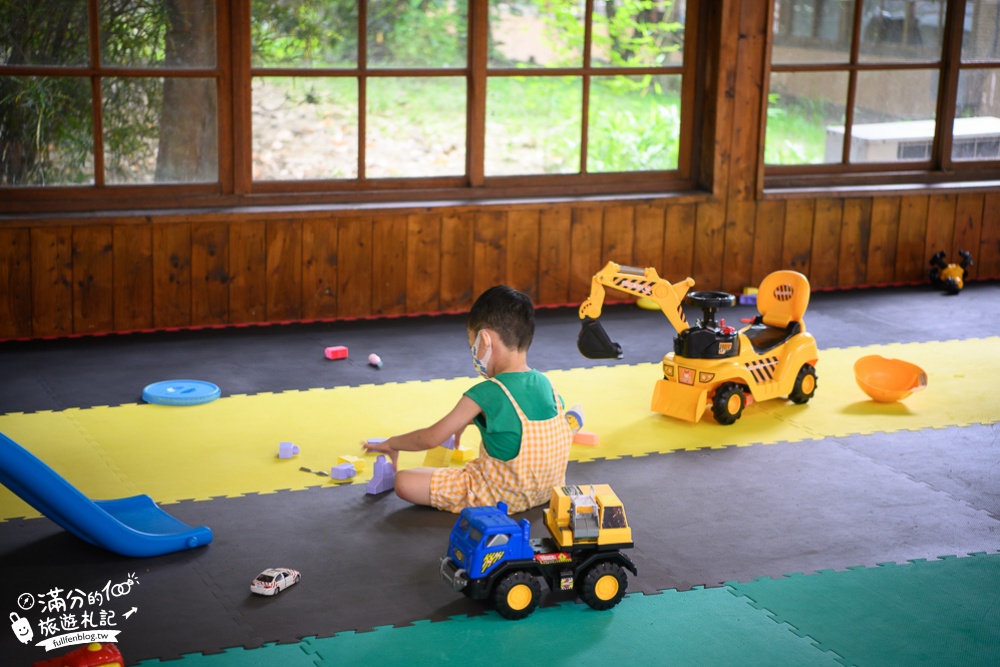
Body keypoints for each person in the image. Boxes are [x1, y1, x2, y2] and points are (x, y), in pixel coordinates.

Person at [362, 285, 573, 513]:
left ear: (484, 340)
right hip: (547, 492)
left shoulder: (487, 392)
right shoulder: (548, 385)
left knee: (403, 480)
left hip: (498, 498)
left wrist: (392, 443)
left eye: (471, 342)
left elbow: (430, 438)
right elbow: (521, 421)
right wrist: (467, 420)